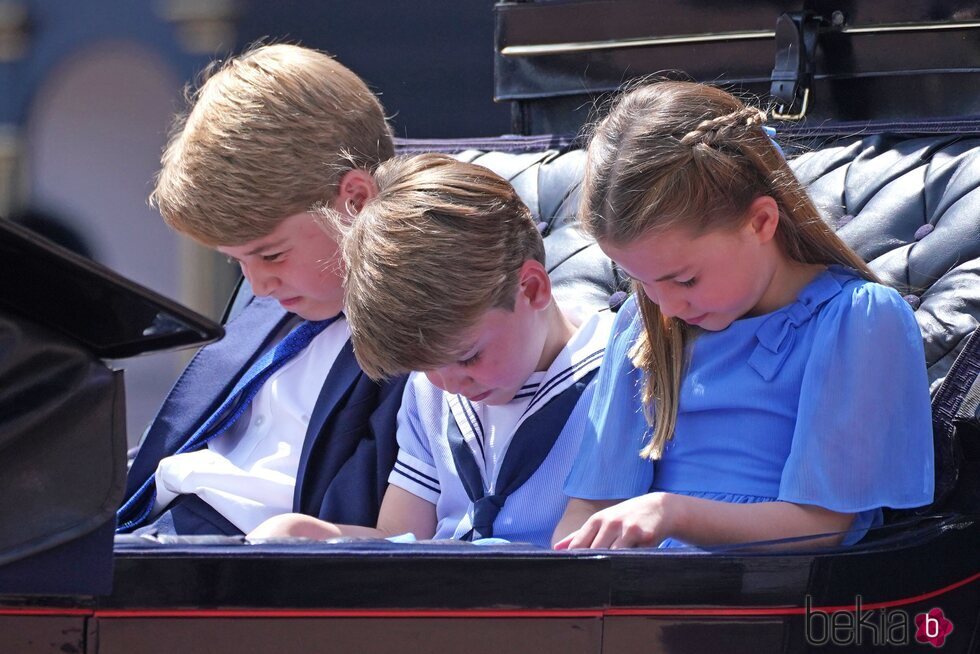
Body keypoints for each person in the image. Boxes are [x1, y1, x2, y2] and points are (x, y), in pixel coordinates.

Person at [553, 81, 934, 550]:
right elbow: (589, 506)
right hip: (640, 597)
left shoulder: (857, 321)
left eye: (685, 280)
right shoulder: (646, 323)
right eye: (641, 281)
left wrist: (672, 512)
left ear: (761, 222)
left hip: (770, 600)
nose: (667, 304)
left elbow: (822, 527)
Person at [248, 154, 615, 547]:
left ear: (531, 289)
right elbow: (399, 535)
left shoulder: (619, 375)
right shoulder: (430, 390)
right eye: (427, 368)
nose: (450, 384)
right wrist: (309, 534)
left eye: (469, 356)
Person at [116, 43, 406, 536]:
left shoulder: (420, 334)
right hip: (146, 531)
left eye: (270, 254)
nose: (257, 285)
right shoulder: (281, 298)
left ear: (354, 200)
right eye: (236, 262)